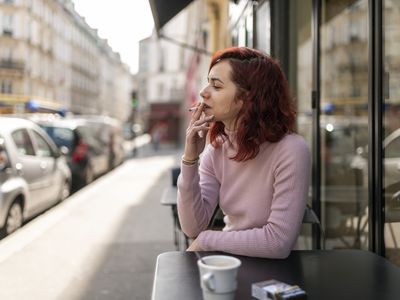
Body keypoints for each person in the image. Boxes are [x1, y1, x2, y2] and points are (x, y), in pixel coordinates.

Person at [177, 47, 311, 259]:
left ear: (246, 99)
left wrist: (207, 241)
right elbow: (193, 227)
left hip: (278, 274)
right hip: (228, 262)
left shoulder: (292, 150)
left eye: (216, 86)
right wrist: (190, 159)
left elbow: (277, 242)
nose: (204, 92)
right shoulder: (216, 149)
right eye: (208, 82)